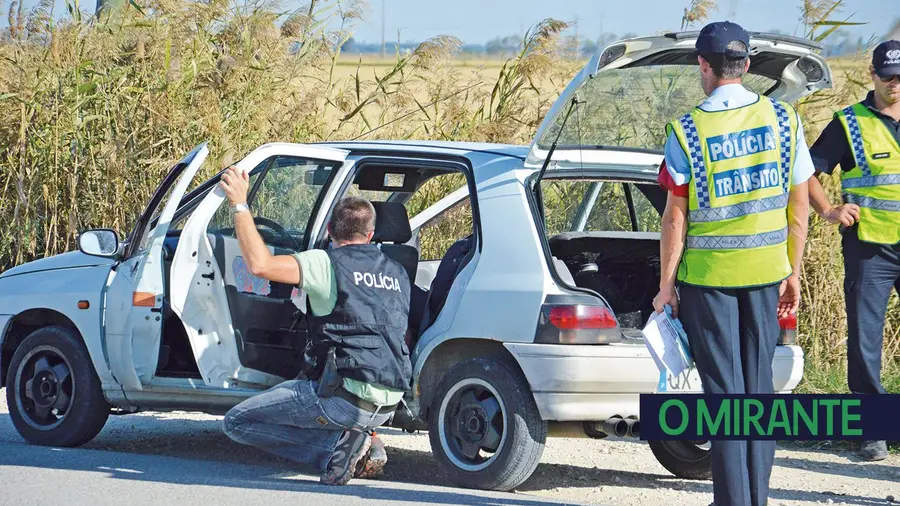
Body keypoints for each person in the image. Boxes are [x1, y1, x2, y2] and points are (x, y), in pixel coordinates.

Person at [653, 21, 812, 506]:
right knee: (759, 398)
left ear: (705, 65)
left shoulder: (688, 129)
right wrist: (793, 272)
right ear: (745, 65)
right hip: (766, 277)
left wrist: (665, 286)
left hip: (709, 282)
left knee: (725, 401)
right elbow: (799, 209)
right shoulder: (784, 121)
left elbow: (675, 219)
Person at [217, 166, 412, 486]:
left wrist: (239, 204)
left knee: (237, 422)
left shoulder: (325, 263)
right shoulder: (397, 273)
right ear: (370, 235)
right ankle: (361, 437)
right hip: (389, 400)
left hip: (346, 400)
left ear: (330, 229)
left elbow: (259, 265)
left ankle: (337, 449)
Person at [806, 39, 900, 462]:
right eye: (887, 77)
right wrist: (828, 209)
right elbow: (806, 171)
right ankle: (873, 431)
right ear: (873, 76)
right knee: (865, 341)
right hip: (870, 250)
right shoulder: (850, 122)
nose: (895, 84)